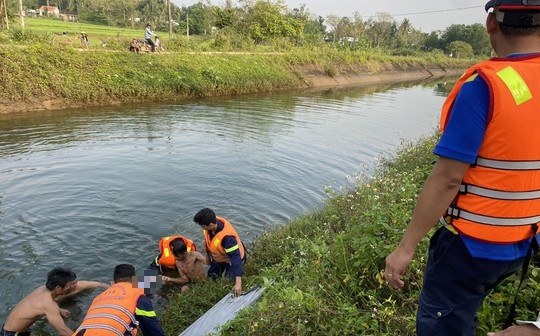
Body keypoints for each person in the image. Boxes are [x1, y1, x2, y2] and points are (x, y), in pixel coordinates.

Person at [384, 1, 540, 335]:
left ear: (490, 22)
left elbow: (448, 178)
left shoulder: (485, 87)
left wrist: (405, 247)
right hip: (526, 239)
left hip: (470, 246)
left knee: (444, 324)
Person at [73, 263, 165, 336]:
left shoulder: (98, 298)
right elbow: (152, 329)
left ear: (112, 283)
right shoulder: (139, 297)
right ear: (134, 281)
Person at [1, 267, 78, 336]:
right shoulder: (49, 304)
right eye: (70, 285)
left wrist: (59, 310)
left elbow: (36, 306)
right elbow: (62, 331)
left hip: (11, 328)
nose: (74, 286)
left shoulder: (42, 289)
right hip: (12, 334)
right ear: (58, 288)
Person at [193, 207, 246, 297]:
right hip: (219, 257)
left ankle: (231, 290)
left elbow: (235, 258)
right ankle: (210, 292)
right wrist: (206, 245)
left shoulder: (227, 238)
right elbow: (212, 239)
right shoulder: (211, 223)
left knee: (228, 281)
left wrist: (238, 283)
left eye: (202, 226)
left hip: (231, 260)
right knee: (211, 276)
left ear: (210, 225)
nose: (202, 228)